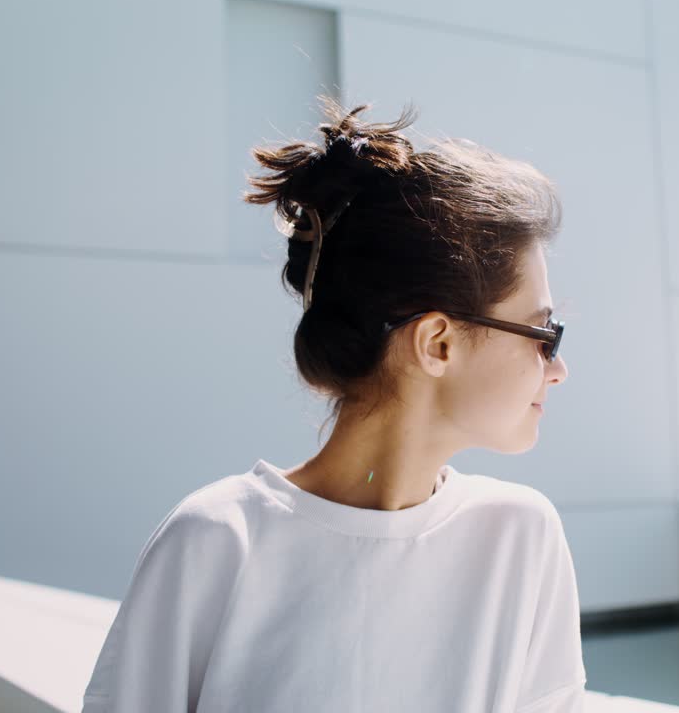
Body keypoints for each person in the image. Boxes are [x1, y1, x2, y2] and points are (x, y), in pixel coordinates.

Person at [81, 95, 583, 712]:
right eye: (544, 334)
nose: (557, 369)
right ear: (439, 342)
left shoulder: (521, 539)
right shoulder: (217, 543)